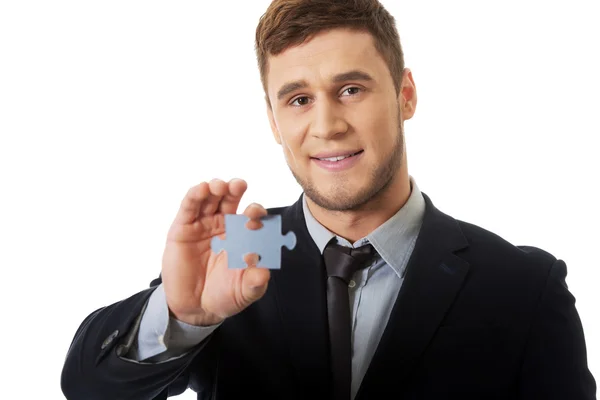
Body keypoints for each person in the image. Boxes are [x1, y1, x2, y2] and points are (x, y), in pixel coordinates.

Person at [60, 0, 597, 399]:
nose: (327, 126)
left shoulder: (522, 284)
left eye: (351, 90)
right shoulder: (248, 244)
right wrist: (183, 315)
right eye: (298, 99)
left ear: (405, 95)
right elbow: (87, 386)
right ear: (273, 119)